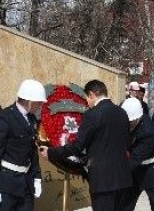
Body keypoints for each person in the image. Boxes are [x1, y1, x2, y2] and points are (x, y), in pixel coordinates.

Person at [40, 80, 132, 211]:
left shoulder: (92, 115)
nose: (87, 103)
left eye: (86, 98)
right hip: (124, 179)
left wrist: (51, 152)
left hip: (103, 182)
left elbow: (77, 147)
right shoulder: (121, 113)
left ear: (91, 94)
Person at [0, 79, 46, 210]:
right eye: (38, 102)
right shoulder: (4, 119)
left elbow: (32, 151)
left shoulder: (31, 119)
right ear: (29, 101)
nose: (40, 105)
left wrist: (37, 177)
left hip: (25, 182)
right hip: (5, 184)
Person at [120, 98, 154, 211]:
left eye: (129, 121)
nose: (126, 123)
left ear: (137, 118)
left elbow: (134, 160)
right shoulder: (128, 121)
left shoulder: (148, 132)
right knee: (124, 205)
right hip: (136, 168)